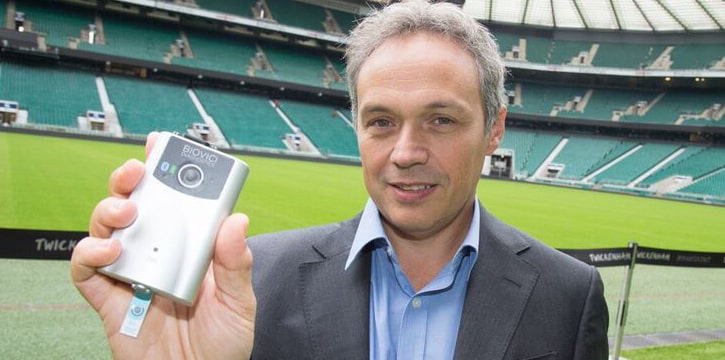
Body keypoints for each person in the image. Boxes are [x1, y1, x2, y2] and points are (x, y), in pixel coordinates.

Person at [71, 1, 609, 359]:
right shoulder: (249, 286)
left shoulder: (568, 294)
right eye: (381, 122)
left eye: (440, 120)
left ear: (494, 130)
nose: (405, 153)